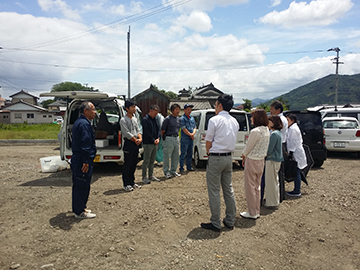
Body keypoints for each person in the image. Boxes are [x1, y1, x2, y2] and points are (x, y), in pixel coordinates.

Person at [200, 94, 239, 232]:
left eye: (215, 104)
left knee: (214, 190)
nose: (215, 107)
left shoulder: (214, 120)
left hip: (216, 157)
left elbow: (208, 141)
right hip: (229, 158)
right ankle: (230, 220)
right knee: (228, 189)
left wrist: (210, 154)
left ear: (220, 105)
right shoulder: (235, 121)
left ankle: (215, 222)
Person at [241, 109, 270, 219]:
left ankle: (252, 212)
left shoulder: (255, 131)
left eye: (252, 117)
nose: (251, 119)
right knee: (257, 186)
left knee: (250, 187)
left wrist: (243, 155)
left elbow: (248, 147)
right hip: (261, 160)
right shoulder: (266, 130)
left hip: (252, 160)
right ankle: (256, 210)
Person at [71, 101, 97, 219]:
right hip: (82, 159)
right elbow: (85, 144)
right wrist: (86, 161)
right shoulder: (84, 124)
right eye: (93, 109)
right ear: (85, 111)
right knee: (82, 184)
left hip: (79, 158)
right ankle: (79, 211)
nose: (95, 112)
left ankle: (81, 207)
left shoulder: (82, 122)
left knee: (80, 184)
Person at [120, 100, 142, 192]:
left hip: (136, 143)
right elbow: (127, 133)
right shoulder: (123, 120)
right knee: (127, 164)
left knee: (134, 163)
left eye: (134, 106)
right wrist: (135, 139)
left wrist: (140, 139)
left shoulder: (135, 119)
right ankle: (126, 183)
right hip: (129, 143)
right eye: (132, 107)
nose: (134, 108)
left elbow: (138, 130)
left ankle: (132, 182)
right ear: (127, 109)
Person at [270, 100, 288, 202]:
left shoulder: (280, 119)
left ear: (278, 110)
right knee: (279, 171)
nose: (270, 111)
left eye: (272, 109)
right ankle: (279, 194)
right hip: (281, 144)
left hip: (279, 144)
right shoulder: (282, 118)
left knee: (278, 171)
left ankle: (279, 195)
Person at [264, 115, 283, 209]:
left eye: (269, 121)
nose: (268, 123)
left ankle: (272, 203)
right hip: (277, 159)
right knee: (275, 181)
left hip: (272, 159)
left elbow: (269, 149)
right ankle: (274, 201)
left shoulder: (274, 134)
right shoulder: (278, 133)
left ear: (274, 122)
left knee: (271, 182)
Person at [286, 114, 307, 196]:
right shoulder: (292, 128)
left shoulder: (293, 129)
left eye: (288, 120)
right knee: (297, 170)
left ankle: (297, 190)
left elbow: (293, 142)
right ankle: (297, 188)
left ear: (292, 120)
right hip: (296, 152)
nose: (286, 122)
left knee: (296, 171)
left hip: (296, 153)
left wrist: (290, 153)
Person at [141, 104, 161, 184]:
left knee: (152, 160)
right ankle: (144, 176)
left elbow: (159, 129)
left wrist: (158, 138)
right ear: (151, 111)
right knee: (146, 160)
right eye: (155, 112)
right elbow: (146, 132)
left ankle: (151, 175)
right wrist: (153, 140)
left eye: (157, 113)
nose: (156, 114)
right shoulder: (145, 120)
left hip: (155, 142)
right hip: (148, 143)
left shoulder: (155, 119)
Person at [161, 104, 181, 179]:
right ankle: (166, 171)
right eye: (176, 109)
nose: (178, 111)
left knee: (175, 156)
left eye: (178, 109)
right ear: (172, 110)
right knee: (167, 156)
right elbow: (162, 130)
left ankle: (173, 170)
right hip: (169, 138)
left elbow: (178, 128)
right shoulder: (167, 119)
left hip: (176, 138)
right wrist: (164, 139)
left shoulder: (179, 119)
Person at [179, 103, 197, 173]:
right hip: (185, 138)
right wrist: (190, 134)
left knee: (190, 153)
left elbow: (194, 127)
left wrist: (193, 133)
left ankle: (189, 166)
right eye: (188, 109)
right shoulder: (182, 118)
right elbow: (183, 128)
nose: (190, 111)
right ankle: (181, 168)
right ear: (184, 110)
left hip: (191, 138)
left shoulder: (192, 118)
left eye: (190, 109)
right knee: (183, 153)